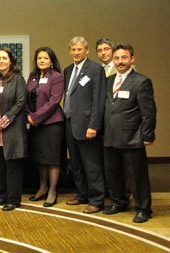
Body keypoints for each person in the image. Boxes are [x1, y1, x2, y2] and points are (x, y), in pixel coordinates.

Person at [102, 44, 156, 223]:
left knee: (136, 176)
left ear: (132, 59)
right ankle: (119, 202)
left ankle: (143, 209)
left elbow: (148, 112)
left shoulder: (141, 81)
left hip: (132, 137)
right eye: (117, 58)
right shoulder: (109, 81)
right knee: (113, 173)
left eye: (124, 58)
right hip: (110, 136)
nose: (120, 62)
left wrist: (147, 135)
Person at [63, 36, 106, 214]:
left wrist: (93, 125)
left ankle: (96, 199)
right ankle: (81, 194)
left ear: (87, 51)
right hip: (70, 122)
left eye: (79, 49)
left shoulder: (95, 69)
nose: (76, 53)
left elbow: (98, 99)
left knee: (91, 164)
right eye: (73, 49)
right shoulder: (68, 70)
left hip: (87, 124)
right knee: (76, 163)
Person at [0, 48, 28, 211]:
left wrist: (1, 123)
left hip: (11, 131)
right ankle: (2, 196)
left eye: (4, 58)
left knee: (12, 167)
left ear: (11, 61)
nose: (1, 61)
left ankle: (13, 200)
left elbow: (20, 103)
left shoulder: (17, 78)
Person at [25, 47, 64, 207]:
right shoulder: (32, 77)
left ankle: (52, 191)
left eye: (45, 58)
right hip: (35, 125)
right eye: (39, 58)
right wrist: (28, 115)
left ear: (52, 61)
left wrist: (35, 117)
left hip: (51, 124)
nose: (41, 61)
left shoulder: (57, 77)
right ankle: (42, 188)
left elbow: (54, 102)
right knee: (40, 158)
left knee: (52, 159)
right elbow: (26, 98)